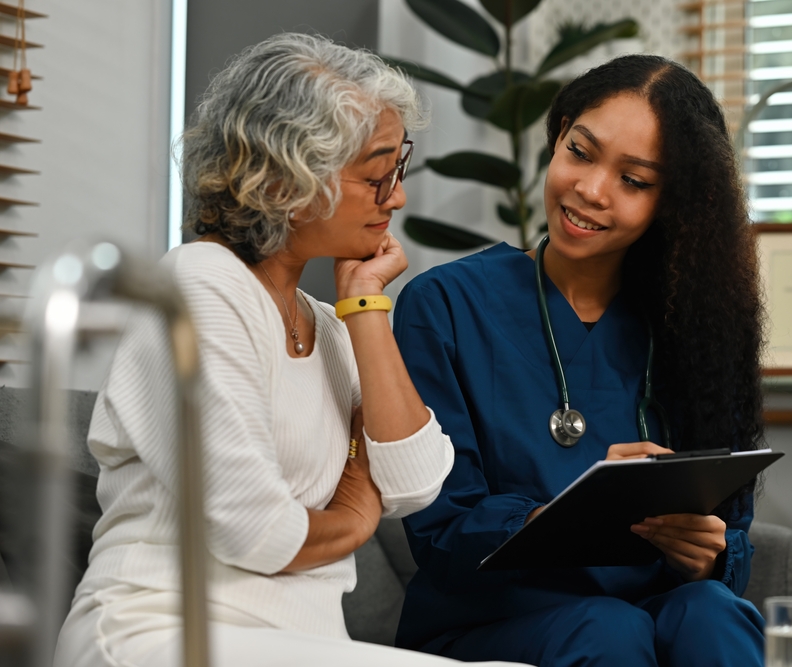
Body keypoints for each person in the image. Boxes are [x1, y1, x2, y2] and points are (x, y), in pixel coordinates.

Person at [54, 34, 523, 667]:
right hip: (161, 629)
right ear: (283, 180)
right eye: (377, 174)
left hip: (296, 643)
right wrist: (357, 515)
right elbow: (260, 531)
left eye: (398, 169)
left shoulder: (329, 326)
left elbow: (417, 481)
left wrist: (366, 309)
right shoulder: (196, 285)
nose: (399, 197)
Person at [392, 54, 767, 667]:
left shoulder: (694, 330)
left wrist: (713, 553)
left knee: (713, 612)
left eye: (635, 181)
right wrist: (567, 512)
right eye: (581, 151)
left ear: (672, 203)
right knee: (606, 627)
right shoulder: (444, 306)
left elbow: (732, 531)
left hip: (652, 616)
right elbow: (437, 526)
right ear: (559, 132)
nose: (591, 190)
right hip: (488, 621)